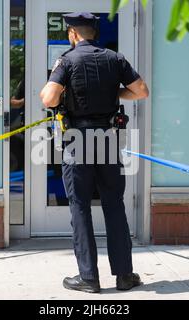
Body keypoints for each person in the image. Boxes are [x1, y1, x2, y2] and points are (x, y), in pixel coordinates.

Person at [40, 12, 149, 293]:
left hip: (77, 140)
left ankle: (88, 278)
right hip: (108, 139)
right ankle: (125, 275)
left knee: (80, 207)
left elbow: (49, 98)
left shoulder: (67, 60)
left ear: (74, 34)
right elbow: (141, 91)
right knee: (114, 204)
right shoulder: (115, 58)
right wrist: (115, 94)